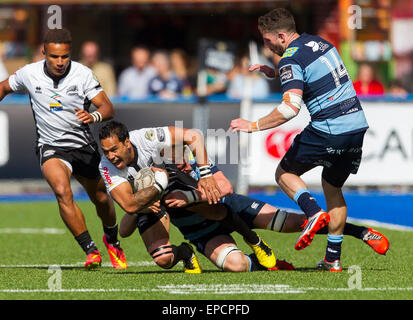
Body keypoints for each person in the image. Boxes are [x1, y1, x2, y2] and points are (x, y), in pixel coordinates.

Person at [229, 8, 369, 272]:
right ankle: (332, 259)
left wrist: (252, 125)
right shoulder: (320, 42)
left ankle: (313, 211)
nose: (266, 45)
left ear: (281, 36)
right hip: (357, 125)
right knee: (332, 187)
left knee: (284, 172)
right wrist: (277, 72)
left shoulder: (290, 60)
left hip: (330, 126)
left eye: (267, 40)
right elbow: (315, 76)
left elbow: (289, 108)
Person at [119, 146, 389, 272]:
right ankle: (265, 263)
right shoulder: (155, 179)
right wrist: (138, 205)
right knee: (234, 265)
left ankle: (360, 232)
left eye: (186, 160)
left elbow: (224, 188)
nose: (186, 165)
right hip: (202, 232)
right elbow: (125, 230)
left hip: (233, 208)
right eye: (178, 162)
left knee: (297, 222)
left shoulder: (198, 163)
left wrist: (190, 198)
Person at [0, 28, 126, 270]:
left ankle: (111, 239)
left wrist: (94, 115)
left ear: (70, 54)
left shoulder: (83, 75)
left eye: (65, 56)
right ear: (44, 53)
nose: (60, 62)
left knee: (101, 198)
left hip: (82, 145)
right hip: (51, 146)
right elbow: (4, 87)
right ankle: (90, 250)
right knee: (61, 190)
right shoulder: (29, 73)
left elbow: (108, 108)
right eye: (54, 57)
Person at [98, 121, 277, 271]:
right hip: (146, 198)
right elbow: (129, 206)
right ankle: (185, 252)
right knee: (160, 257)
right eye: (106, 151)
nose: (110, 156)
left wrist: (206, 175)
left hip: (170, 177)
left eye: (114, 149)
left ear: (127, 142)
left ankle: (254, 240)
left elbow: (193, 135)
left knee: (210, 203)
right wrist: (154, 192)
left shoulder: (147, 138)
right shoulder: (106, 166)